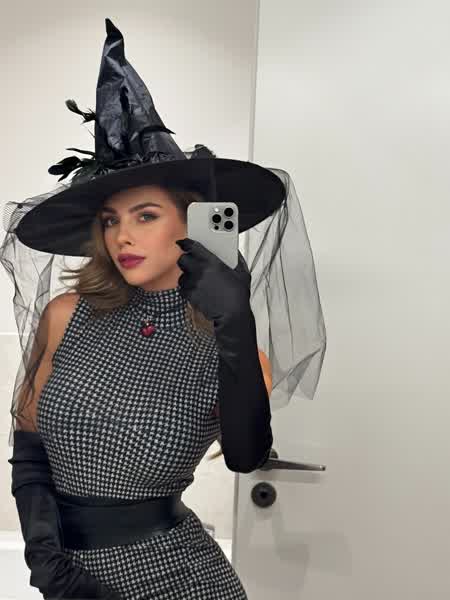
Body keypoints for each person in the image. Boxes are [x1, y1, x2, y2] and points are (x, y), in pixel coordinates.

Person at [1, 18, 327, 600]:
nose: (122, 236)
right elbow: (28, 448)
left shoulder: (231, 345)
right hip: (69, 577)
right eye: (111, 220)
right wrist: (46, 558)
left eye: (146, 216)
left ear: (192, 221)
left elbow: (246, 456)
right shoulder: (66, 314)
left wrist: (235, 321)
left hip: (178, 578)